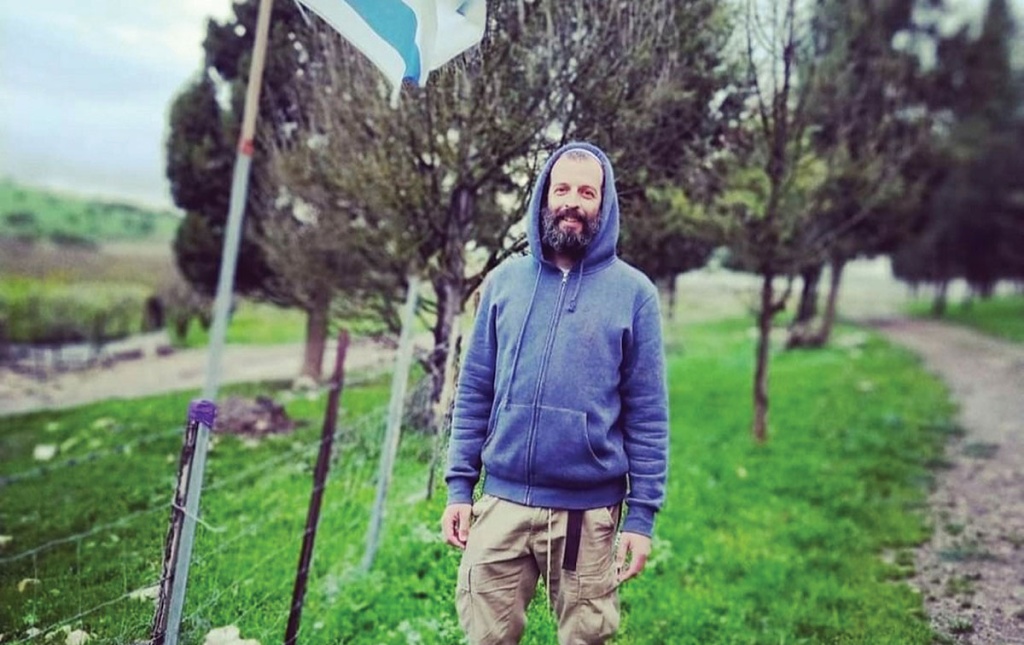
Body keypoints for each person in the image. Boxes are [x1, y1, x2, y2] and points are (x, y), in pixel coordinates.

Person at [441, 142, 670, 645]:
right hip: (500, 505)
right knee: (485, 638)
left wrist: (642, 518)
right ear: (543, 197)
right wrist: (460, 487)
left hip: (586, 515)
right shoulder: (504, 284)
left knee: (586, 638)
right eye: (561, 188)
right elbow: (474, 390)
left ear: (604, 205)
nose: (572, 201)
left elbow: (648, 415)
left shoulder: (634, 294)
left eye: (587, 192)